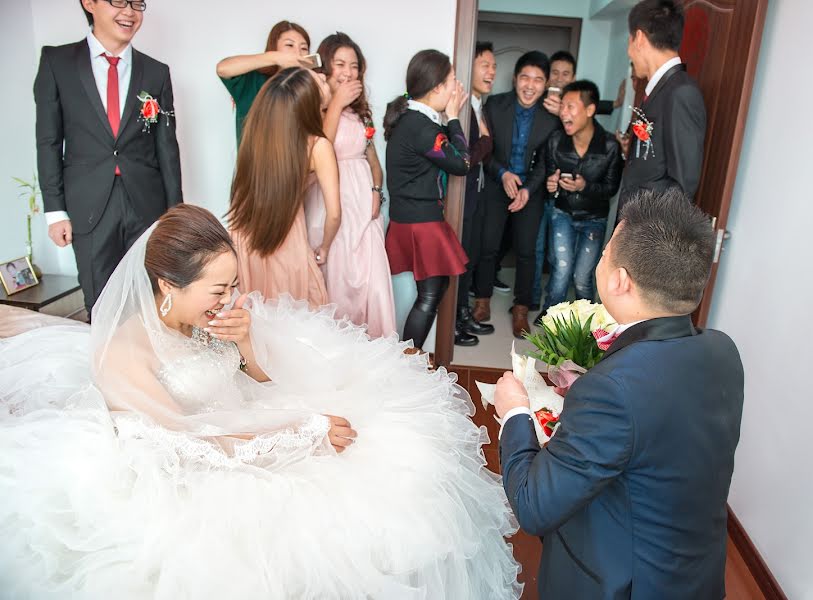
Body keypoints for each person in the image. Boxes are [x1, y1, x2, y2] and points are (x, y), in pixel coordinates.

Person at [0, 204, 522, 599]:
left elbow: (259, 384)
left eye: (233, 286)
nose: (228, 300)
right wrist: (302, 436)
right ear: (166, 284)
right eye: (218, 288)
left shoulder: (205, 319)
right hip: (190, 476)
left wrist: (244, 343)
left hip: (242, 424)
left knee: (400, 465)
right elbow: (180, 448)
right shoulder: (125, 353)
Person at [493, 189, 744, 599]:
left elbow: (533, 504)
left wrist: (515, 412)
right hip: (693, 579)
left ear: (620, 280)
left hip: (622, 586)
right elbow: (659, 426)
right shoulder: (722, 351)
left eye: (606, 251)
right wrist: (591, 386)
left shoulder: (613, 390)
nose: (602, 257)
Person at [36, 0, 182, 317]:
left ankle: (147, 364)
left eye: (137, 3)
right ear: (89, 3)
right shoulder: (57, 62)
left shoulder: (156, 72)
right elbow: (48, 140)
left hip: (147, 203)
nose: (129, 11)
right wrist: (54, 211)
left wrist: (175, 214)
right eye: (119, 1)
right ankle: (106, 365)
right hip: (87, 204)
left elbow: (167, 148)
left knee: (151, 297)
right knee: (100, 300)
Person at [304, 32, 396, 338]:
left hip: (363, 205)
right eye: (340, 63)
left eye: (354, 65)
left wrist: (376, 192)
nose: (348, 71)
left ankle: (375, 345)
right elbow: (320, 152)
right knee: (336, 280)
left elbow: (372, 161)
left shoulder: (359, 113)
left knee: (373, 281)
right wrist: (336, 104)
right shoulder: (311, 107)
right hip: (329, 203)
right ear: (326, 66)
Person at [227, 67, 340, 308]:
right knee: (292, 323)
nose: (324, 77)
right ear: (310, 102)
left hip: (244, 236)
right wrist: (325, 247)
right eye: (318, 80)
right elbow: (335, 214)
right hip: (285, 238)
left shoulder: (255, 132)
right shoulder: (317, 145)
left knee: (255, 320)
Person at [383, 50, 470, 351]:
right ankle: (408, 361)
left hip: (412, 218)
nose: (455, 88)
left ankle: (410, 357)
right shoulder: (421, 127)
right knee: (430, 295)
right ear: (437, 88)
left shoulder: (414, 121)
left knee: (434, 289)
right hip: (420, 222)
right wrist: (456, 116)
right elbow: (462, 163)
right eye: (452, 81)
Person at [476, 51, 559, 338]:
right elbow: (482, 150)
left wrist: (527, 189)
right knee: (488, 245)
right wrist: (503, 174)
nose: (530, 85)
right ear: (515, 78)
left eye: (538, 80)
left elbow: (548, 163)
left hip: (530, 191)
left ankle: (522, 308)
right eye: (525, 77)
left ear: (545, 84)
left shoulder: (551, 119)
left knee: (527, 252)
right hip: (497, 185)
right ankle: (482, 299)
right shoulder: (494, 105)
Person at [533, 80, 623, 323]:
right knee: (561, 269)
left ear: (590, 110)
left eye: (570, 107)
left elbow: (611, 189)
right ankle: (551, 316)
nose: (563, 113)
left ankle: (589, 323)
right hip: (562, 212)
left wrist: (585, 187)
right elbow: (550, 177)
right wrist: (551, 185)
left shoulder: (610, 146)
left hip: (594, 219)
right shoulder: (555, 141)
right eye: (562, 106)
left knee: (582, 276)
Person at [619, 0, 707, 211]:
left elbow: (682, 187)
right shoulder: (660, 89)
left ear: (639, 38)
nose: (629, 51)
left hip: (647, 232)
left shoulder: (681, 93)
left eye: (629, 40)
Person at [455, 41, 497, 347]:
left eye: (494, 66)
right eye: (485, 65)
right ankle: (455, 320)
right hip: (462, 196)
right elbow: (466, 158)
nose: (491, 72)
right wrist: (485, 139)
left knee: (470, 257)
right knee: (460, 258)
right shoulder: (463, 107)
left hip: (479, 195)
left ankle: (463, 313)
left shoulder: (482, 105)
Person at [216, 21, 315, 146]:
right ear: (274, 49)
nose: (298, 53)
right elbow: (223, 68)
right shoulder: (253, 81)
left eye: (304, 48)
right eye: (289, 45)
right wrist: (274, 58)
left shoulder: (309, 88)